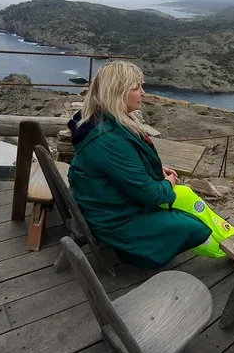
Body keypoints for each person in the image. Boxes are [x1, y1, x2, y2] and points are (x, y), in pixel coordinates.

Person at [67, 60, 213, 269]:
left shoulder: (96, 120)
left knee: (187, 196)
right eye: (136, 87)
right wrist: (168, 183)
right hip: (116, 221)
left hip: (108, 204)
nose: (143, 92)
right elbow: (151, 194)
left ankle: (229, 240)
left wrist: (156, 170)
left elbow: (120, 168)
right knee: (194, 227)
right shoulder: (108, 140)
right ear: (117, 92)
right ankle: (228, 251)